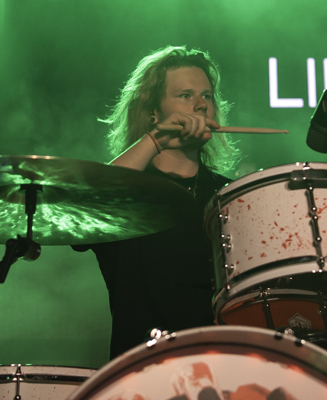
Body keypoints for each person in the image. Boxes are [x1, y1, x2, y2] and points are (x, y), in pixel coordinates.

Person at [75, 46, 241, 359]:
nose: (200, 105)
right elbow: (83, 205)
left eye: (207, 96)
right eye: (185, 95)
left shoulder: (231, 197)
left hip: (223, 368)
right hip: (142, 373)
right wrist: (154, 140)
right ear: (153, 111)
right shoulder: (129, 191)